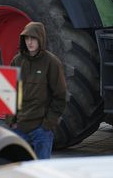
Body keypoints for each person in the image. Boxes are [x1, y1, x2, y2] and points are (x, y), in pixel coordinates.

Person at [5, 21, 67, 160]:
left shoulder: (52, 62)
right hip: (19, 128)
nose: (30, 42)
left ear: (41, 39)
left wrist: (47, 124)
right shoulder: (17, 60)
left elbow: (60, 96)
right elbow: (9, 93)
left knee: (41, 171)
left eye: (33, 38)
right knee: (18, 171)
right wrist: (11, 121)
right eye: (27, 38)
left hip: (41, 131)